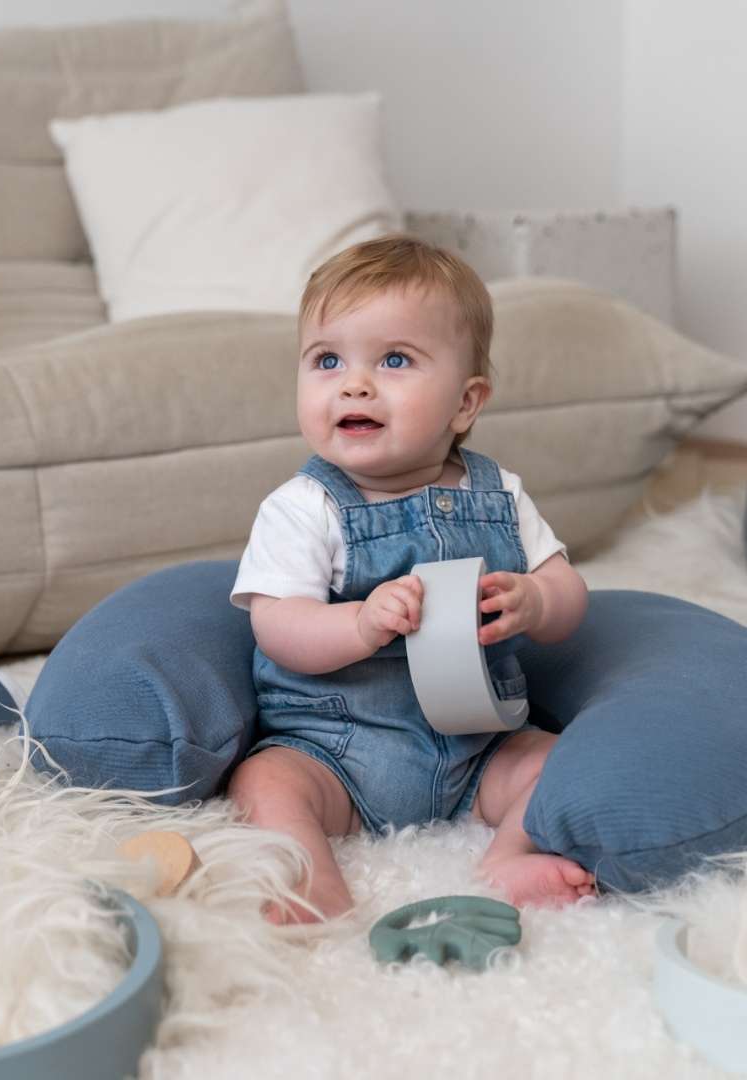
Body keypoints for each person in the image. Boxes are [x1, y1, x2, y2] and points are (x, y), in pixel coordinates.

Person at [227, 235, 593, 923]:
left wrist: (536, 600)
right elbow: (276, 626)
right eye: (326, 359)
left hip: (477, 748)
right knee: (264, 780)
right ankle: (310, 877)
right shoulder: (306, 507)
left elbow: (570, 596)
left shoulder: (501, 496)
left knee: (564, 760)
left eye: (394, 360)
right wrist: (358, 623)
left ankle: (508, 859)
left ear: (464, 403)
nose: (354, 383)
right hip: (334, 750)